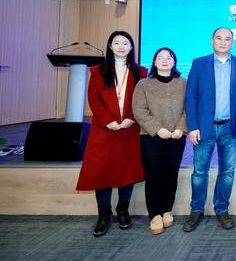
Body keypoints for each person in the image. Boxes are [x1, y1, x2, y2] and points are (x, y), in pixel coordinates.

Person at [76, 31, 147, 237]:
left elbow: (142, 99)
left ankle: (123, 209)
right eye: (117, 43)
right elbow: (94, 98)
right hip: (104, 129)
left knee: (128, 169)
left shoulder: (140, 72)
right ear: (110, 46)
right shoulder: (98, 71)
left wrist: (131, 118)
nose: (121, 46)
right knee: (102, 171)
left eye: (126, 43)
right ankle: (104, 213)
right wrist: (108, 121)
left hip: (130, 127)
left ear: (131, 47)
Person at [182, 28, 236, 232]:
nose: (223, 42)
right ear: (212, 41)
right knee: (200, 172)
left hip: (229, 127)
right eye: (219, 38)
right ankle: (196, 210)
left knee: (227, 171)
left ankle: (222, 209)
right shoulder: (199, 63)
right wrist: (193, 126)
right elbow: (191, 97)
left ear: (232, 43)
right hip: (204, 128)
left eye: (227, 39)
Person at [133, 47, 187, 235]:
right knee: (153, 176)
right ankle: (154, 214)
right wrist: (158, 129)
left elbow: (189, 108)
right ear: (154, 62)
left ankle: (166, 210)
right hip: (151, 137)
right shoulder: (143, 84)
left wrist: (181, 128)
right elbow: (139, 110)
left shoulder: (183, 83)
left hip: (176, 137)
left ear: (174, 62)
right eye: (160, 57)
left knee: (171, 175)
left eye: (169, 57)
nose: (164, 60)